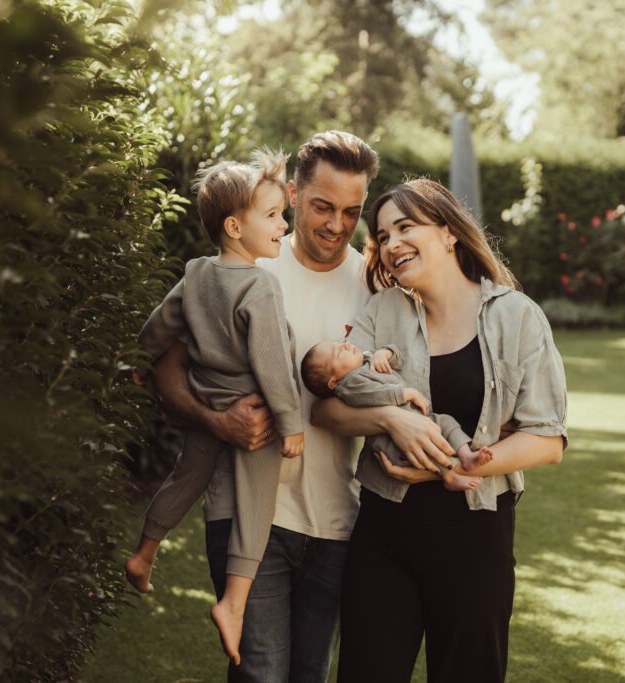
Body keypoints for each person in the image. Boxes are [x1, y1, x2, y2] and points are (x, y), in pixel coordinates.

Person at [147, 131, 392, 682]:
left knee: (309, 674)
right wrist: (216, 419)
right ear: (293, 193)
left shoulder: (376, 286)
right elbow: (163, 367)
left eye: (351, 212)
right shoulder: (245, 265)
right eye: (323, 206)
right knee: (259, 674)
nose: (335, 225)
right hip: (248, 516)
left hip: (338, 520)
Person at [310, 178, 568, 683]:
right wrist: (392, 418)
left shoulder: (517, 316)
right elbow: (326, 411)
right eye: (382, 236)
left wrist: (459, 464)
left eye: (406, 227)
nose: (391, 244)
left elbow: (548, 438)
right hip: (384, 533)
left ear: (449, 233)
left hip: (475, 538)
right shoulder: (382, 311)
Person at [124, 149, 304, 664]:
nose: (282, 224)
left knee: (185, 477)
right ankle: (234, 601)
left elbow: (162, 324)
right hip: (251, 414)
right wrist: (290, 423)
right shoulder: (259, 286)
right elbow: (272, 365)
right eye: (271, 216)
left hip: (207, 401)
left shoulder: (198, 273)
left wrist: (141, 362)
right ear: (234, 225)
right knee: (256, 504)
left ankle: (144, 553)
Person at [300, 339, 493, 491]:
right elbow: (373, 396)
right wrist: (405, 393)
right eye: (338, 352)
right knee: (424, 449)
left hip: (418, 417)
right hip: (391, 440)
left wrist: (383, 353)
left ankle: (466, 455)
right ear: (334, 382)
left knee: (447, 422)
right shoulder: (350, 384)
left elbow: (397, 359)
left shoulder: (366, 361)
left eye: (340, 343)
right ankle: (449, 476)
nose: (346, 345)